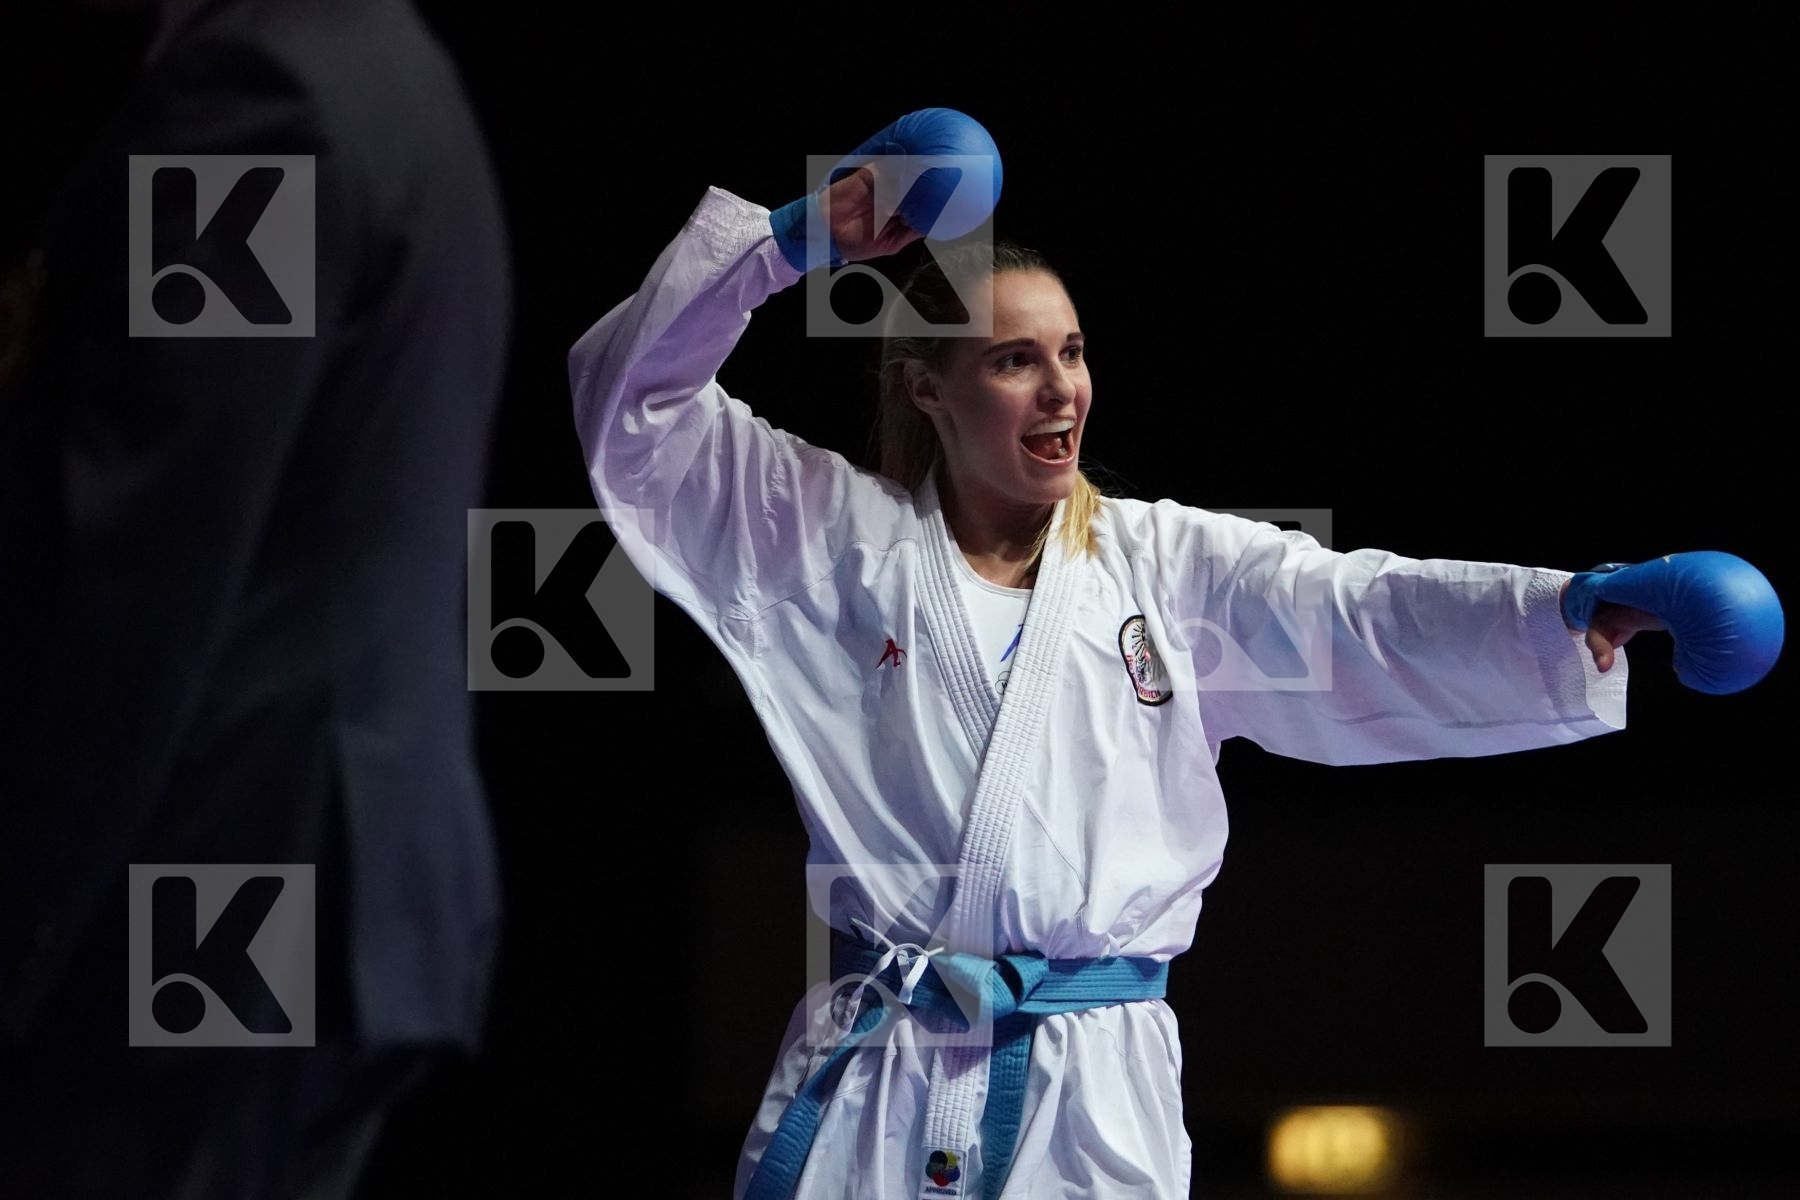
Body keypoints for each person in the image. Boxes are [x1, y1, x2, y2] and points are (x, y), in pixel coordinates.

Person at [568, 111, 1767, 1200]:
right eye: (1014, 359)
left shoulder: (1170, 570)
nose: (1062, 390)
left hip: (1091, 1098)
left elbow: (1358, 613)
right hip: (875, 1082)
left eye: (1075, 352)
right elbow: (634, 409)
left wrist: (1574, 612)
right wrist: (798, 237)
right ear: (925, 388)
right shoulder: (827, 546)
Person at [0, 1, 507, 1196]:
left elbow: (146, 556)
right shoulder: (387, 65)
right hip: (308, 881)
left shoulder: (266, 105)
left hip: (218, 880)